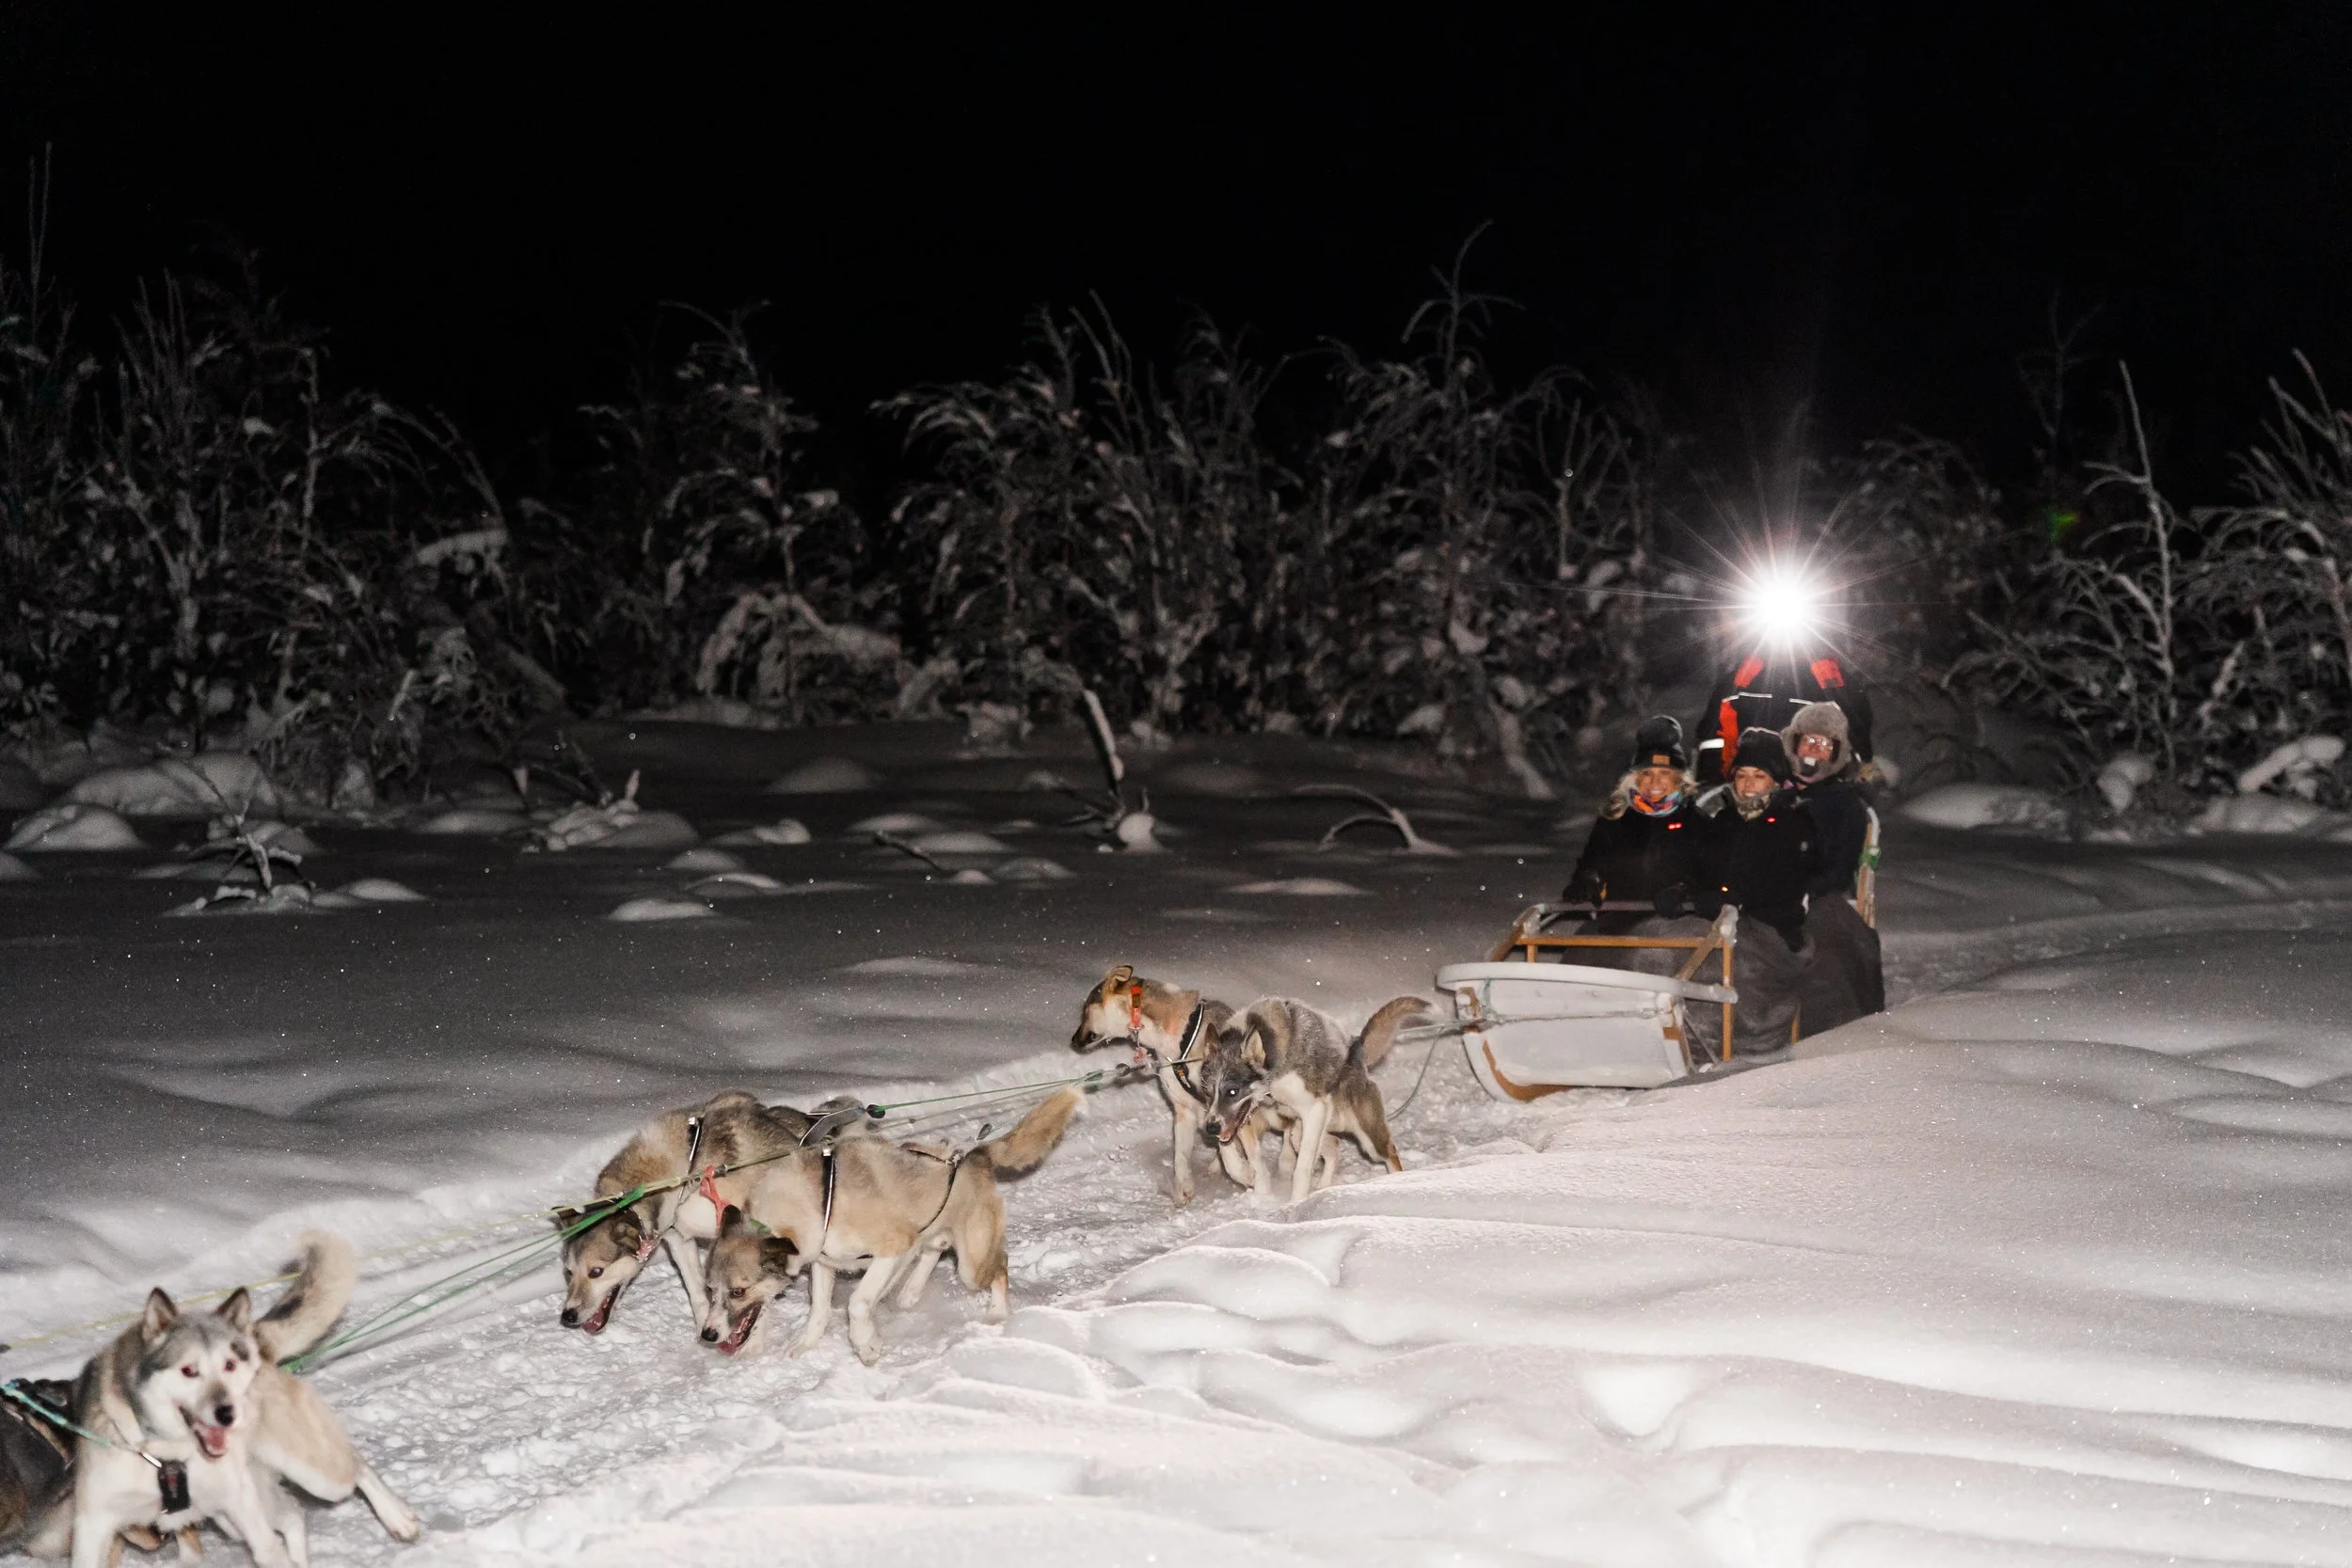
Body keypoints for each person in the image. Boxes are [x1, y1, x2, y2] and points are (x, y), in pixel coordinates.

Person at [1684, 728, 1819, 1055]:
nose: (1747, 784)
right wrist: (1685, 890)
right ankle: (1685, 1031)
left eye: (1759, 776)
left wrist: (1734, 897)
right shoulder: (1724, 820)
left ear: (1776, 781)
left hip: (1773, 926)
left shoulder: (1794, 823)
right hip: (1722, 919)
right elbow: (1701, 868)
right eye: (1741, 775)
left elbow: (1786, 883)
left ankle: (1737, 1041)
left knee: (1733, 960)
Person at [1782, 701, 1886, 1030]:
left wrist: (1802, 892)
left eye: (1825, 744)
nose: (1814, 749)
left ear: (1836, 753)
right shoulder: (1765, 783)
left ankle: (1839, 1032)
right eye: (1808, 740)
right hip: (1758, 892)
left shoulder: (1844, 804)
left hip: (1815, 895)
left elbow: (1839, 870)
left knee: (1834, 940)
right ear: (1793, 742)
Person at [1561, 715, 1708, 933]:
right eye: (1646, 773)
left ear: (1679, 779)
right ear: (1635, 778)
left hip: (1677, 924)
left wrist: (1684, 890)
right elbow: (1592, 861)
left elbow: (1709, 873)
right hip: (1621, 919)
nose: (1655, 782)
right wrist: (1587, 880)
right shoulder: (1616, 819)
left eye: (1665, 774)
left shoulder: (1695, 822)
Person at [1693, 645, 1873, 784]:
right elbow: (1713, 738)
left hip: (1811, 789)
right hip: (1751, 787)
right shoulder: (1740, 680)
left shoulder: (1833, 682)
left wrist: (1853, 779)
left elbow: (1857, 737)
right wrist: (1713, 786)